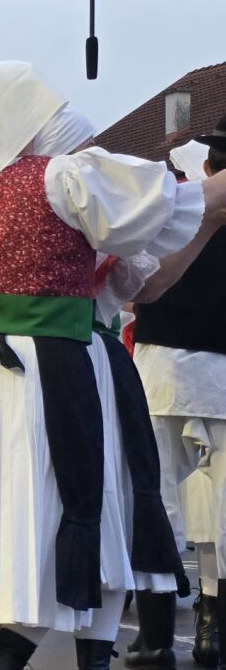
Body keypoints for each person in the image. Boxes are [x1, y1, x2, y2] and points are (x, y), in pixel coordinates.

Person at [0, 61, 225, 669]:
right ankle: (19, 652)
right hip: (44, 362)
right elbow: (160, 212)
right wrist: (208, 195)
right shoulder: (66, 180)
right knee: (56, 503)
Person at [126, 118, 226, 670]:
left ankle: (157, 634)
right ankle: (213, 631)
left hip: (164, 364)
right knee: (221, 504)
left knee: (158, 498)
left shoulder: (173, 211)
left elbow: (135, 281)